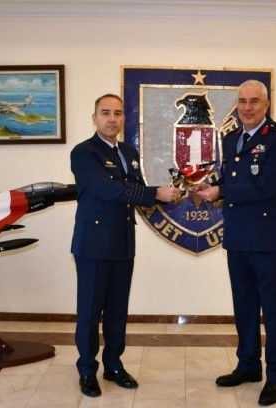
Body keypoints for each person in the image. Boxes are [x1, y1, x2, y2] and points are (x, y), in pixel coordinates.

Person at [192, 80, 276, 406]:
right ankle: (249, 365)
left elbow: (267, 186)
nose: (247, 108)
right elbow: (232, 178)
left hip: (269, 239)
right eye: (242, 101)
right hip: (237, 237)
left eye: (254, 101)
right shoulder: (231, 138)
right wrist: (210, 185)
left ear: (266, 104)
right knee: (245, 307)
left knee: (275, 310)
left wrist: (222, 191)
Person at [70, 94, 181, 397]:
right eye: (105, 113)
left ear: (123, 119)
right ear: (94, 118)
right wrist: (155, 194)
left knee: (117, 310)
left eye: (118, 113)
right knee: (90, 312)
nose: (112, 119)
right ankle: (87, 371)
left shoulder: (128, 152)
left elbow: (135, 188)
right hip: (93, 244)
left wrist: (171, 190)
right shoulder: (84, 153)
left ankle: (114, 365)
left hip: (122, 242)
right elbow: (109, 190)